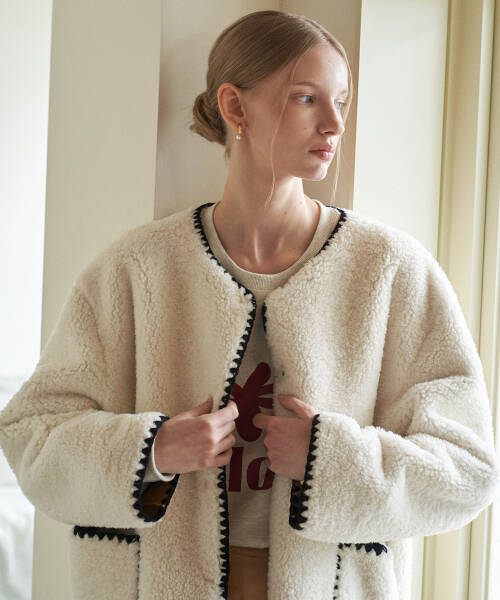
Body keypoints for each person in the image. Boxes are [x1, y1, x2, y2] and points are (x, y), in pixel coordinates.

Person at [0, 9, 498, 600]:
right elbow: (32, 435)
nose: (335, 122)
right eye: (307, 98)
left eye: (341, 100)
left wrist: (329, 460)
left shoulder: (390, 270)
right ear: (235, 107)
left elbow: (467, 471)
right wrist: (154, 450)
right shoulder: (136, 269)